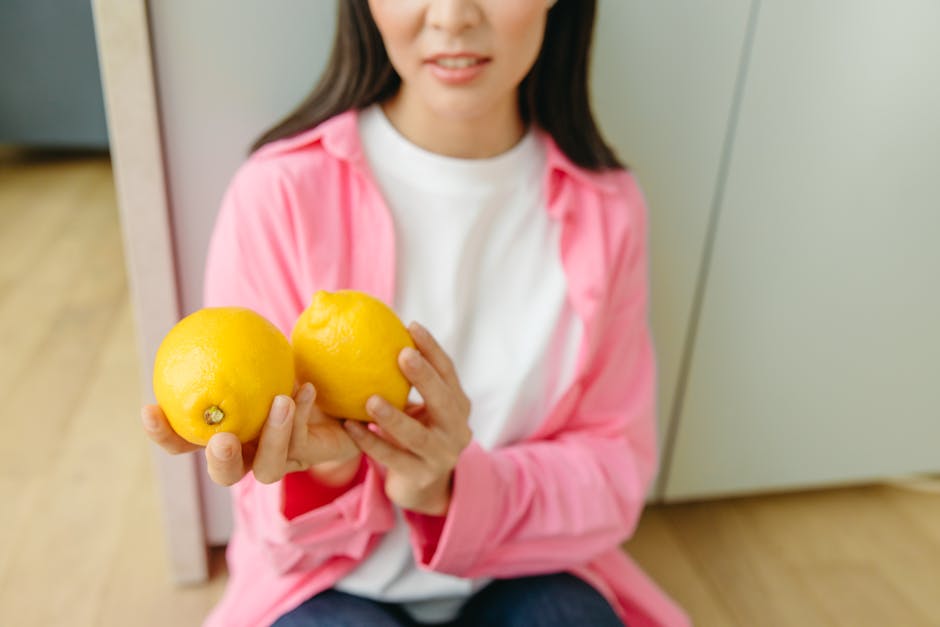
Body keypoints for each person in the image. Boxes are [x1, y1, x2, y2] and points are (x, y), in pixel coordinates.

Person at [141, 1, 690, 625]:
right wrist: (329, 470)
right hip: (329, 586)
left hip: (528, 572)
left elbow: (614, 474)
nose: (453, 15)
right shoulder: (279, 194)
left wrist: (450, 488)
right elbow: (267, 525)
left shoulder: (608, 212)